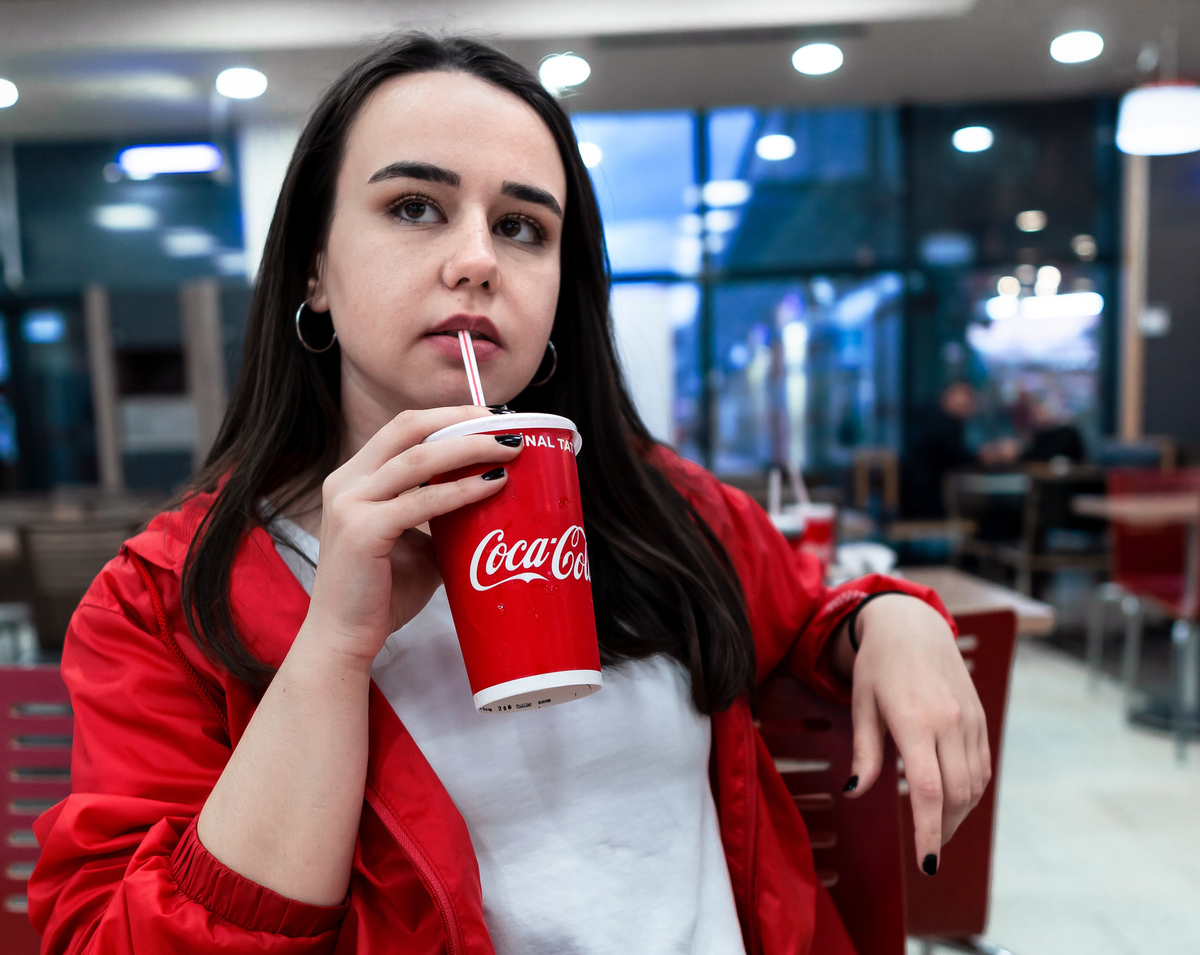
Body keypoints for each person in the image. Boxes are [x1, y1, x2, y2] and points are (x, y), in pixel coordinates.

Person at [28, 35, 989, 955]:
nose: (479, 259)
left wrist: (895, 620)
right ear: (314, 268)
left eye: (524, 227)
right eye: (415, 206)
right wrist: (332, 650)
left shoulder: (656, 506)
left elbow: (816, 608)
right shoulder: (161, 601)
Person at [903, 380, 1018, 517]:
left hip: (930, 496)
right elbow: (957, 457)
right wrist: (991, 455)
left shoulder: (943, 421)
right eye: (963, 396)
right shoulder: (936, 422)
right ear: (946, 396)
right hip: (927, 501)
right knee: (999, 509)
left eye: (971, 397)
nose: (968, 402)